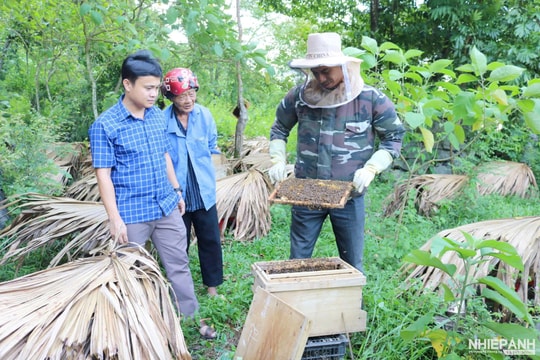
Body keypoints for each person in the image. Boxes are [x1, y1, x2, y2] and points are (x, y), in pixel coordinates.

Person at [88, 50, 216, 339]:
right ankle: (135, 325)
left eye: (156, 88)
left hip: (166, 205)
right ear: (127, 84)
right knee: (130, 270)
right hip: (132, 213)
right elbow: (103, 175)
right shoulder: (105, 126)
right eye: (148, 87)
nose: (153, 93)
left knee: (178, 265)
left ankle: (190, 316)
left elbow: (165, 155)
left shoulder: (158, 116)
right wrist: (114, 218)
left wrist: (176, 190)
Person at [268, 32, 406, 273]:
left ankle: (352, 311)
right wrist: (277, 159)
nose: (321, 78)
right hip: (306, 194)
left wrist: (372, 167)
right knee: (297, 261)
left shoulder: (371, 99)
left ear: (342, 65)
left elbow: (393, 137)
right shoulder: (298, 97)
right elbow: (279, 128)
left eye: (326, 70)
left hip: (349, 195)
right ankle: (296, 307)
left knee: (352, 262)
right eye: (316, 72)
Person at [161, 67, 224, 297]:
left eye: (191, 94)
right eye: (181, 96)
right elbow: (162, 156)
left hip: (203, 189)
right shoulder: (161, 120)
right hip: (177, 193)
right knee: (179, 242)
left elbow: (211, 145)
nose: (188, 100)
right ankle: (179, 288)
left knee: (210, 239)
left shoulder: (204, 115)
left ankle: (212, 287)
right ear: (170, 97)